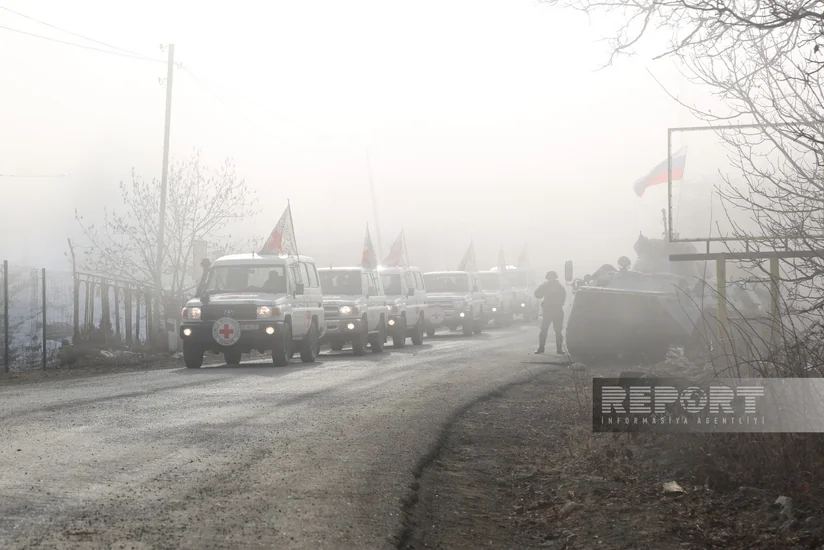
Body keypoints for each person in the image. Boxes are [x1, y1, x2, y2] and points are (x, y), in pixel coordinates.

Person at [534, 270, 566, 354]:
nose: (550, 279)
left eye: (551, 278)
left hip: (554, 310)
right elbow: (537, 294)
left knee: (556, 331)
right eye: (549, 278)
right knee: (546, 330)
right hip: (551, 311)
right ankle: (544, 348)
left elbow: (537, 294)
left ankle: (557, 349)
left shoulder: (555, 287)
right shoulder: (554, 286)